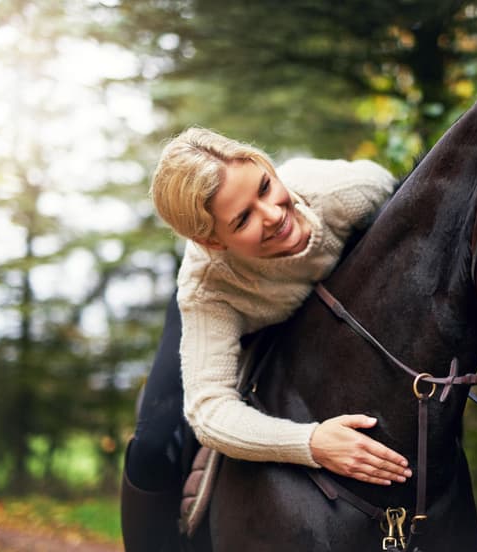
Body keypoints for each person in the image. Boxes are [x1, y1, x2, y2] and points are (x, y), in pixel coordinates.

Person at [120, 127, 411, 552]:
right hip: (240, 311)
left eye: (265, 187)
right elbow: (209, 412)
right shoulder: (207, 288)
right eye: (243, 218)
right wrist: (312, 444)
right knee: (153, 444)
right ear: (211, 241)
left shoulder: (347, 190)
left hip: (327, 306)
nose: (273, 214)